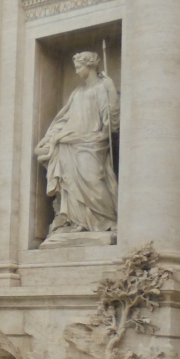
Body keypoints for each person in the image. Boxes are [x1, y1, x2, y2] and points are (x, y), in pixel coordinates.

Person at [35, 51, 119, 237]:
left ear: (90, 66)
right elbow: (65, 118)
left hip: (93, 141)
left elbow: (111, 117)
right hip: (70, 142)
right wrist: (51, 137)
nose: (76, 70)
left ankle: (108, 219)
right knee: (71, 183)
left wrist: (111, 87)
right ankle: (79, 220)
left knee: (94, 179)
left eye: (79, 67)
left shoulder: (102, 86)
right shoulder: (77, 92)